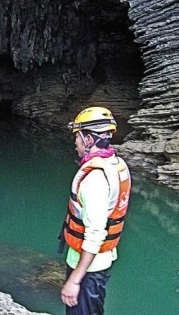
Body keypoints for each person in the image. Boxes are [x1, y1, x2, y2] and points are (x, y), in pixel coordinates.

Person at [59, 107, 131, 314]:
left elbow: (95, 234)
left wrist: (74, 280)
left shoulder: (95, 179)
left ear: (89, 140)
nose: (75, 143)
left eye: (78, 137)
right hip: (100, 262)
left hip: (89, 270)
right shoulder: (115, 164)